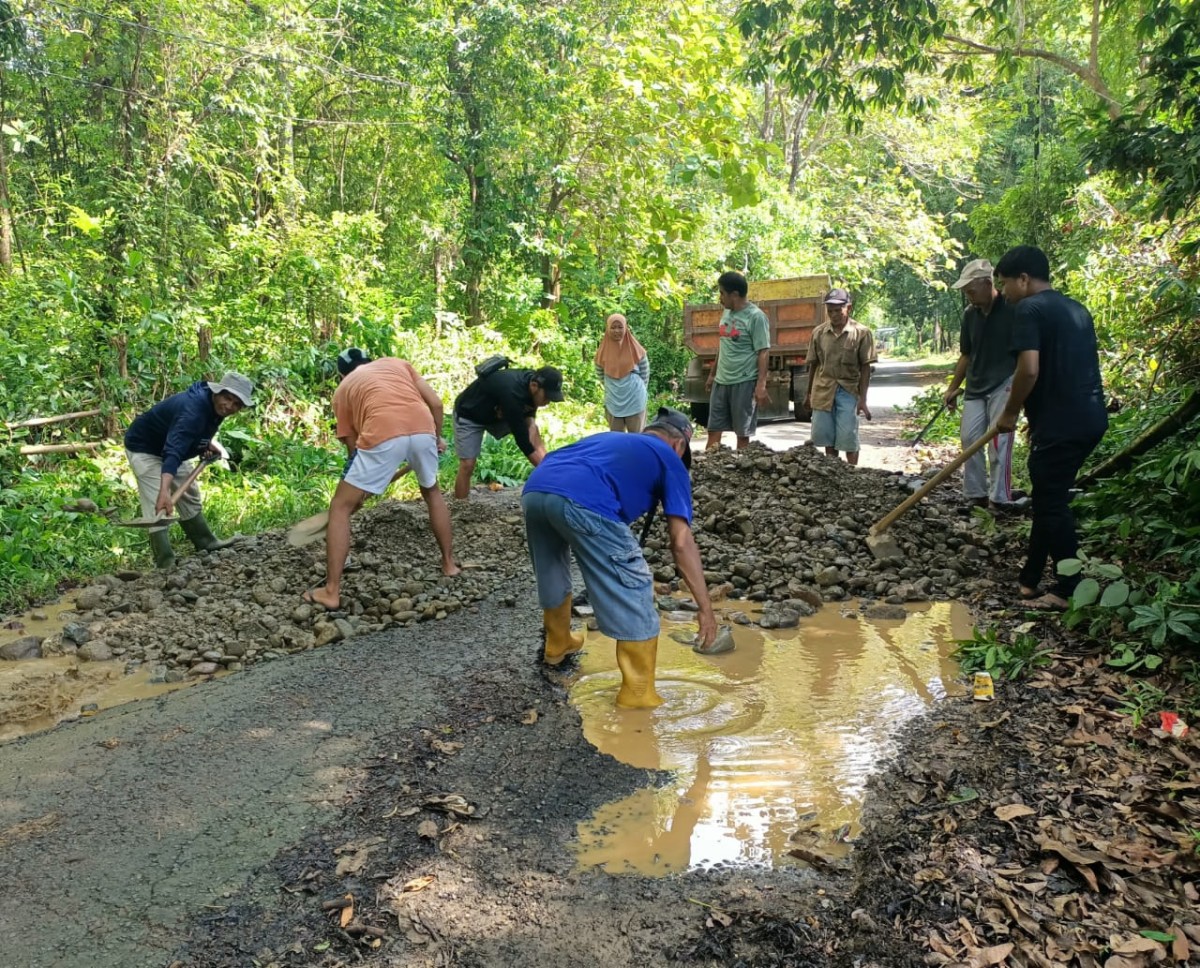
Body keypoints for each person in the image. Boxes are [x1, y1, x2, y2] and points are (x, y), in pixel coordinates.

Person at [521, 407, 718, 708]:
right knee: (634, 585)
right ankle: (638, 695)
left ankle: (558, 643)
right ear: (680, 444)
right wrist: (705, 607)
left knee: (551, 567)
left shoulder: (611, 441)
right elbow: (681, 541)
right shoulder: (669, 458)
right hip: (583, 500)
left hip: (536, 490)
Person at [994, 245, 1108, 611]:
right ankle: (1029, 580)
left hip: (1063, 423)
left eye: (1006, 283)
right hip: (1087, 417)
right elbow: (1067, 369)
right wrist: (1038, 419)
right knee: (1047, 496)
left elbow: (1028, 370)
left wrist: (1010, 413)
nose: (1005, 292)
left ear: (1024, 280)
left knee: (1052, 503)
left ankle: (1068, 588)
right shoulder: (1076, 309)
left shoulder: (1029, 308)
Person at [304, 350, 460, 610]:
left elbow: (354, 451)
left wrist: (358, 492)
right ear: (370, 361)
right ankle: (449, 564)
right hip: (422, 425)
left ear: (342, 373)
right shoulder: (397, 364)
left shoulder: (343, 389)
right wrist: (435, 436)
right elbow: (436, 404)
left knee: (340, 508)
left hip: (382, 430)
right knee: (432, 492)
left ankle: (331, 591)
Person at [124, 372, 253, 569]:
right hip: (145, 448)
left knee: (189, 494)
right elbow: (174, 449)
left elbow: (191, 431)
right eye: (227, 398)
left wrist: (205, 444)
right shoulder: (192, 409)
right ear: (218, 392)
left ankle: (205, 542)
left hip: (173, 448)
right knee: (157, 506)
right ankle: (165, 563)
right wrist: (164, 491)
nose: (229, 406)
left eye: (236, 404)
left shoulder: (213, 405)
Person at [944, 258, 1017, 510]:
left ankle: (1000, 498)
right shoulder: (970, 315)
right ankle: (976, 494)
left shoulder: (1011, 308)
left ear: (988, 284)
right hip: (975, 385)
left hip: (1004, 382)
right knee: (969, 438)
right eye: (966, 292)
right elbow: (966, 354)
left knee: (1000, 442)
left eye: (972, 291)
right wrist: (953, 387)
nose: (969, 297)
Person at [451, 363, 565, 499]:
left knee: (532, 427)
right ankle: (460, 505)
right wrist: (547, 474)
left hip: (498, 413)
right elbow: (524, 442)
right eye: (547, 397)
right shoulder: (512, 392)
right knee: (467, 465)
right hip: (470, 414)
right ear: (534, 386)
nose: (548, 402)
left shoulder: (533, 385)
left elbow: (531, 427)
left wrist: (549, 467)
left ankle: (551, 468)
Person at [804, 288, 876, 465]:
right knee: (827, 438)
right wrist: (808, 394)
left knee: (848, 437)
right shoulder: (819, 333)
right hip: (823, 389)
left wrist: (863, 399)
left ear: (848, 308)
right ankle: (833, 474)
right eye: (830, 311)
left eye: (838, 310)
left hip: (848, 390)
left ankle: (852, 473)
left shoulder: (862, 333)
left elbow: (865, 367)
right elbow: (813, 364)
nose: (834, 315)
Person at [704, 271, 770, 451]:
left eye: (722, 293)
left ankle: (740, 471)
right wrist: (712, 374)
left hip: (744, 382)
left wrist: (761, 385)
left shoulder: (756, 317)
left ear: (734, 295)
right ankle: (708, 470)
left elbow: (763, 352)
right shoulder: (726, 313)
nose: (720, 298)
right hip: (721, 382)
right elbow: (722, 344)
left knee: (742, 434)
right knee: (714, 429)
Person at [594, 313, 650, 432]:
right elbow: (599, 371)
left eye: (620, 327)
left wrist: (640, 388)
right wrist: (612, 385)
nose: (617, 331)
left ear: (626, 328)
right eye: (613, 327)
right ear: (608, 328)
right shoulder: (602, 351)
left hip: (635, 399)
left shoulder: (635, 348)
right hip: (613, 400)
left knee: (637, 439)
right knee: (616, 439)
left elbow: (645, 371)